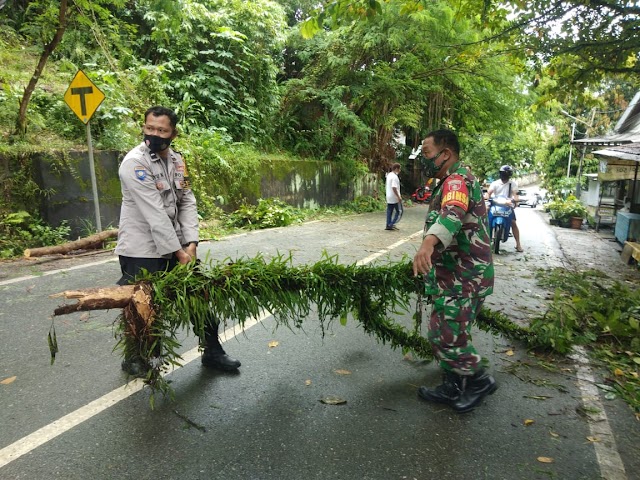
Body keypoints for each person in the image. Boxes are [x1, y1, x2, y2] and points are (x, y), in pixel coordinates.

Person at [115, 105, 241, 376]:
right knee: (143, 307)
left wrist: (192, 243)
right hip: (142, 249)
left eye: (161, 130)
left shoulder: (177, 161)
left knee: (198, 296)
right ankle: (135, 357)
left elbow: (187, 201)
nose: (154, 134)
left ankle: (213, 352)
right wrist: (179, 252)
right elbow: (154, 214)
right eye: (150, 128)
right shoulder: (134, 163)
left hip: (179, 245)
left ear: (173, 133)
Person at [412, 129, 497, 413]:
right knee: (447, 330)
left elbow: (453, 213)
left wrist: (427, 245)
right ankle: (451, 385)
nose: (422, 160)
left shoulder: (457, 181)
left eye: (426, 153)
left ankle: (478, 381)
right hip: (457, 275)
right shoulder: (451, 179)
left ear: (445, 154)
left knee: (446, 335)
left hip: (465, 277)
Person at [487, 165, 523, 252]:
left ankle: (518, 244)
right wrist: (486, 198)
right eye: (503, 173)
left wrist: (516, 200)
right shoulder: (495, 183)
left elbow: (515, 195)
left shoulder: (512, 184)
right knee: (485, 217)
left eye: (506, 174)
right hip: (495, 204)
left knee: (513, 222)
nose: (504, 175)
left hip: (507, 206)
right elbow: (488, 193)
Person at [385, 163, 402, 230]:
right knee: (398, 211)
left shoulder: (389, 175)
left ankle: (388, 224)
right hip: (394, 197)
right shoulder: (394, 177)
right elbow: (394, 187)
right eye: (399, 169)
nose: (400, 170)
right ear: (396, 169)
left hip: (389, 196)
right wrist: (398, 196)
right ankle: (391, 224)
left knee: (389, 211)